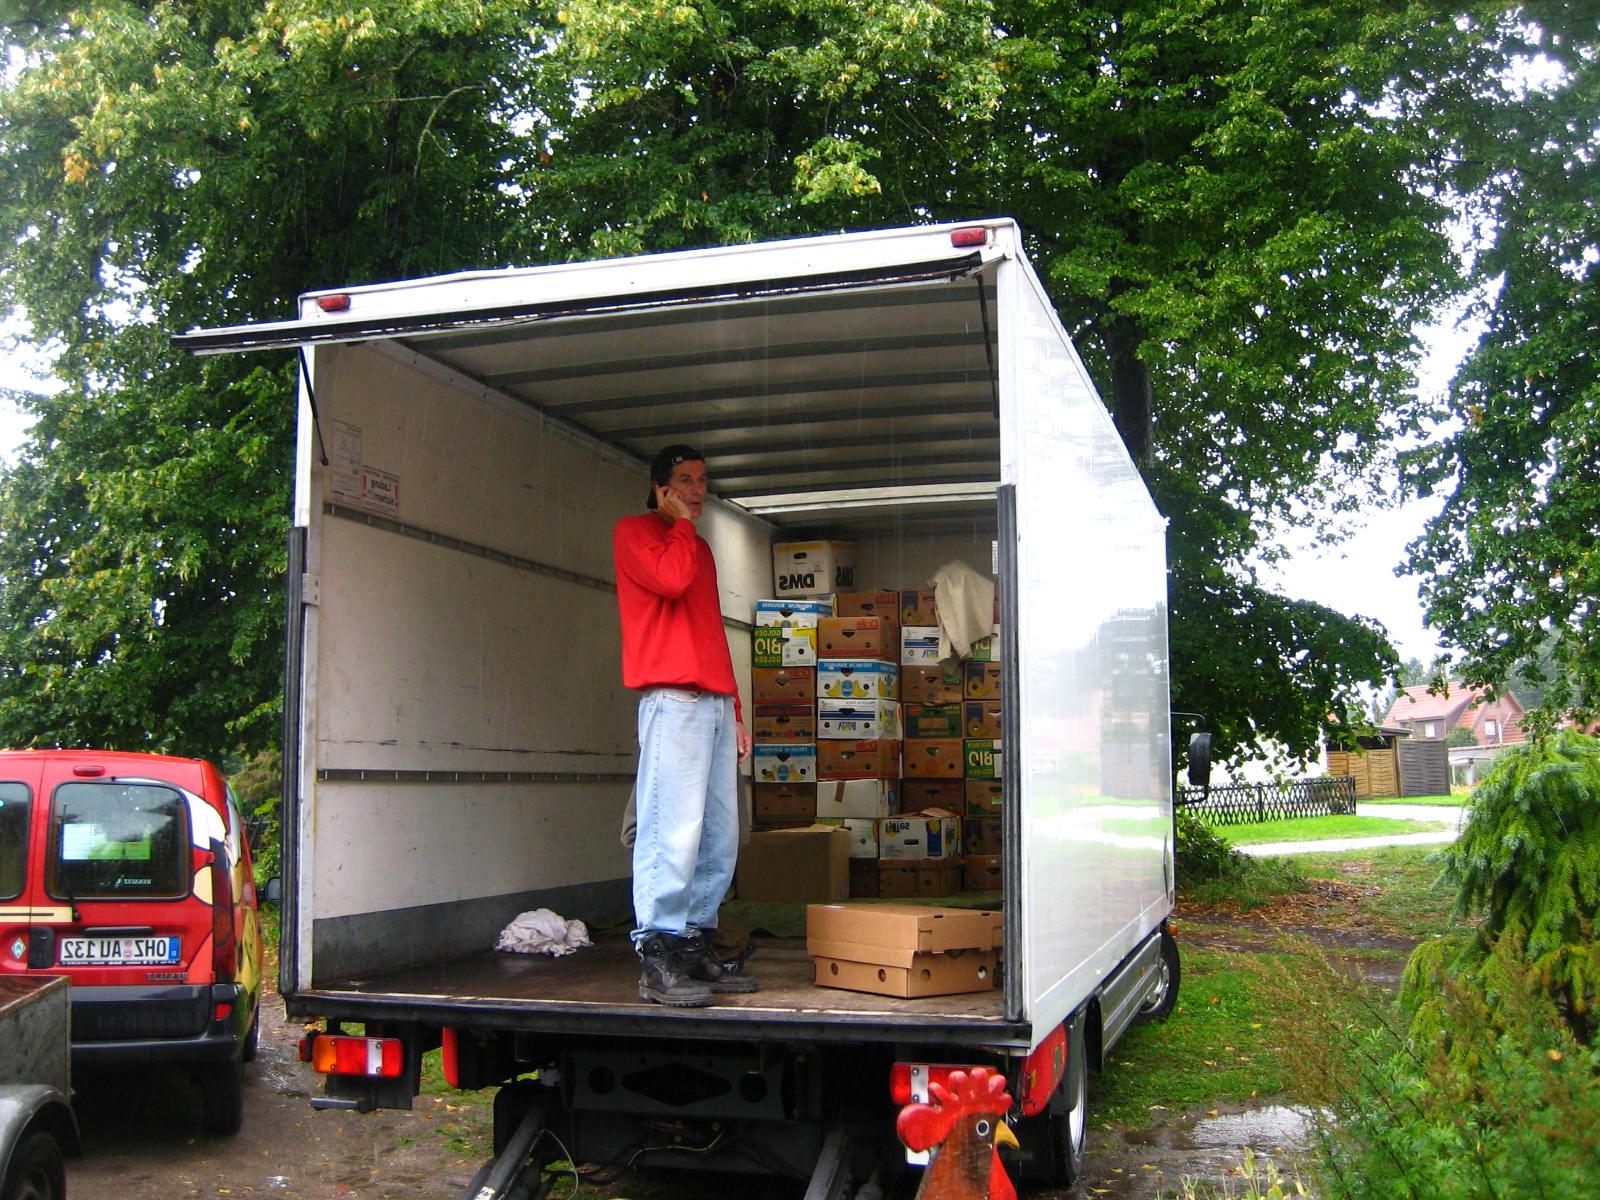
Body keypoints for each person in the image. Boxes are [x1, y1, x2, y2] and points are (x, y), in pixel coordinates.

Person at [612, 444, 756, 1007]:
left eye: (702, 479)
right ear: (659, 487)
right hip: (672, 700)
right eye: (684, 480)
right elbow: (670, 583)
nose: (697, 490)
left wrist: (736, 709)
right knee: (669, 829)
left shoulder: (695, 545)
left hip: (712, 701)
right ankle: (657, 951)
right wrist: (676, 527)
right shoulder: (637, 533)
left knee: (719, 835)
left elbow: (710, 632)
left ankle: (693, 938)